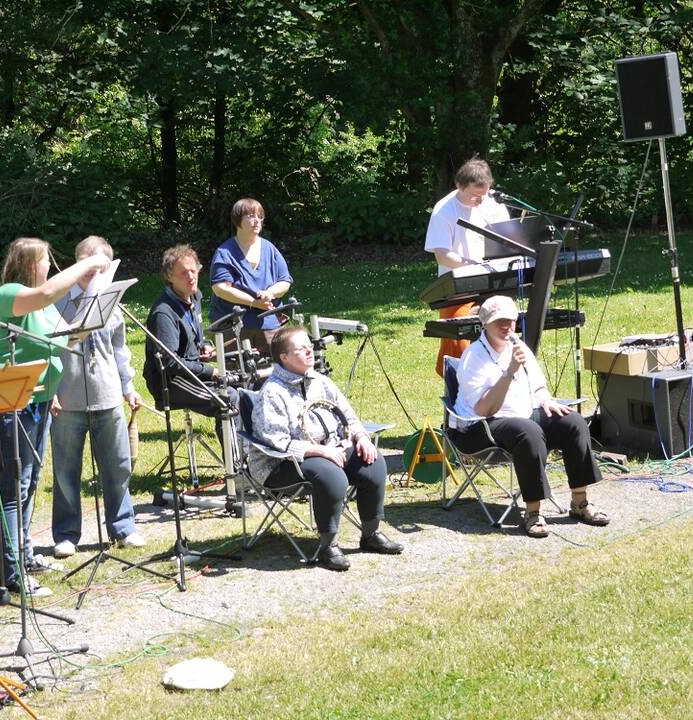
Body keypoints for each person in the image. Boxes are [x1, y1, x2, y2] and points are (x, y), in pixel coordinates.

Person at [0, 237, 109, 596]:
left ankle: (24, 554)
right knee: (14, 488)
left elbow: (60, 339)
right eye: (45, 261)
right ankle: (11, 573)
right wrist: (87, 265)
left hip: (40, 401)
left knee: (30, 483)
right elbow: (47, 295)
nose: (50, 268)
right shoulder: (9, 294)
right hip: (13, 404)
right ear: (28, 264)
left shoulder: (43, 302)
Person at [450, 295, 610, 538]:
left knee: (573, 422)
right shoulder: (474, 357)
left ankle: (580, 503)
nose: (506, 327)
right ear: (485, 324)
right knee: (529, 431)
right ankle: (533, 512)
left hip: (523, 415)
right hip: (479, 428)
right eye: (499, 322)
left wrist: (546, 400)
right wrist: (510, 371)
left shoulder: (519, 346)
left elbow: (538, 386)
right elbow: (485, 409)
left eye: (511, 321)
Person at [249, 326, 403, 572]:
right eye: (301, 349)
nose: (310, 351)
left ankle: (370, 534)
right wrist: (320, 451)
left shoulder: (321, 382)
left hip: (331, 450)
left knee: (373, 462)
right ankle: (328, 547)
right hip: (281, 463)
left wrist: (361, 437)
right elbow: (275, 441)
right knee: (330, 475)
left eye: (310, 345)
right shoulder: (273, 392)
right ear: (284, 357)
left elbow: (349, 417)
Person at [50, 236, 145, 559]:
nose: (94, 276)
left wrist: (128, 387)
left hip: (106, 395)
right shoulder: (55, 301)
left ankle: (123, 527)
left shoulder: (112, 304)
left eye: (101, 269)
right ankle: (66, 534)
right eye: (89, 268)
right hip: (67, 397)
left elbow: (120, 350)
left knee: (117, 465)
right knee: (65, 471)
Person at [424, 158, 510, 375]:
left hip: (494, 280)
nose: (481, 200)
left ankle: (500, 376)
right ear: (459, 186)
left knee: (503, 330)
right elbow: (442, 255)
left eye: (485, 193)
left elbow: (507, 240)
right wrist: (471, 265)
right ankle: (459, 380)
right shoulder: (444, 210)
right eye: (475, 195)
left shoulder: (493, 202)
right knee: (458, 340)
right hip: (457, 286)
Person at [144, 244, 236, 420]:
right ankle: (231, 448)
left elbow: (194, 336)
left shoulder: (194, 297)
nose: (191, 277)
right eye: (184, 273)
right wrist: (210, 371)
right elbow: (170, 363)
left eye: (194, 271)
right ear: (169, 276)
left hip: (191, 372)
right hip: (171, 381)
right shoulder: (163, 313)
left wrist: (204, 346)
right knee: (227, 399)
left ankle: (239, 447)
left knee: (239, 386)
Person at [209, 198, 293, 358]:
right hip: (234, 327)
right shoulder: (225, 252)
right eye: (251, 216)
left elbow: (285, 281)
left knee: (273, 369)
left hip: (269, 324)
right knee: (236, 374)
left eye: (260, 217)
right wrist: (254, 303)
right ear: (237, 220)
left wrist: (270, 293)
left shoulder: (270, 249)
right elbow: (221, 288)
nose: (257, 221)